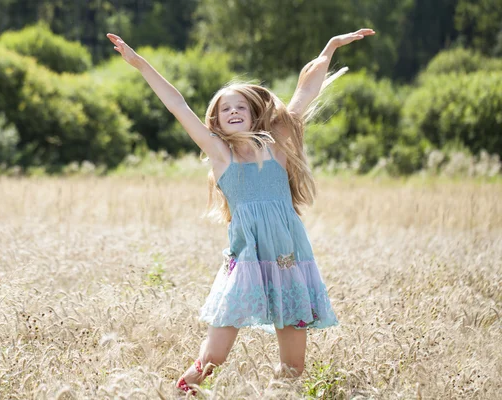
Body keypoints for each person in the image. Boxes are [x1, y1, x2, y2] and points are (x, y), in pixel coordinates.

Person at [107, 28, 375, 395]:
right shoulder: (221, 155)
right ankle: (179, 392)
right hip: (247, 261)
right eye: (225, 109)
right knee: (213, 358)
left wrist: (329, 48)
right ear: (215, 122)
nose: (233, 112)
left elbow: (305, 92)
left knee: (294, 367)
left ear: (254, 116)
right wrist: (139, 64)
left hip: (287, 261)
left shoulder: (279, 146)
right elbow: (177, 104)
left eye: (240, 108)